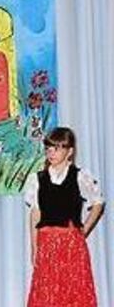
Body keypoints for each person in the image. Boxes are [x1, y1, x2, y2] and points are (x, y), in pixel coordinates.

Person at [25, 127, 104, 306]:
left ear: (69, 151)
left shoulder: (80, 176)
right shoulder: (37, 179)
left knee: (73, 291)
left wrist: (84, 229)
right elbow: (35, 214)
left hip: (71, 244)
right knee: (47, 293)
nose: (51, 153)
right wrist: (34, 246)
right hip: (47, 243)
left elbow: (97, 203)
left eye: (57, 148)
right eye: (48, 149)